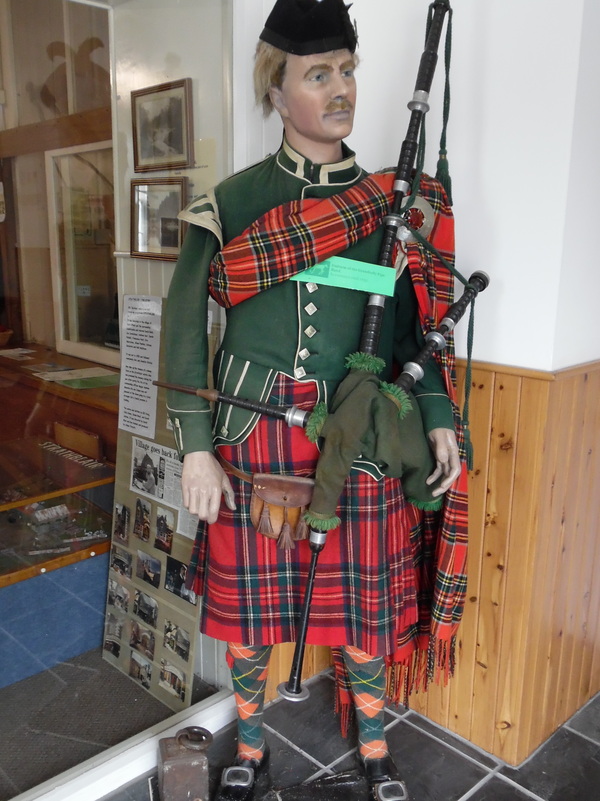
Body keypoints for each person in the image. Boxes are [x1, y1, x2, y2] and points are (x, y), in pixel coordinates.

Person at [165, 1, 467, 799]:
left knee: (365, 608)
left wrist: (436, 416)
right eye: (319, 74)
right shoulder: (230, 201)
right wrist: (195, 443)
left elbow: (411, 330)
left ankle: (373, 746)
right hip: (249, 434)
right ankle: (252, 748)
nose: (341, 90)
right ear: (277, 90)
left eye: (348, 72)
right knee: (251, 616)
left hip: (357, 429)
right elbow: (183, 321)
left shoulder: (387, 208)